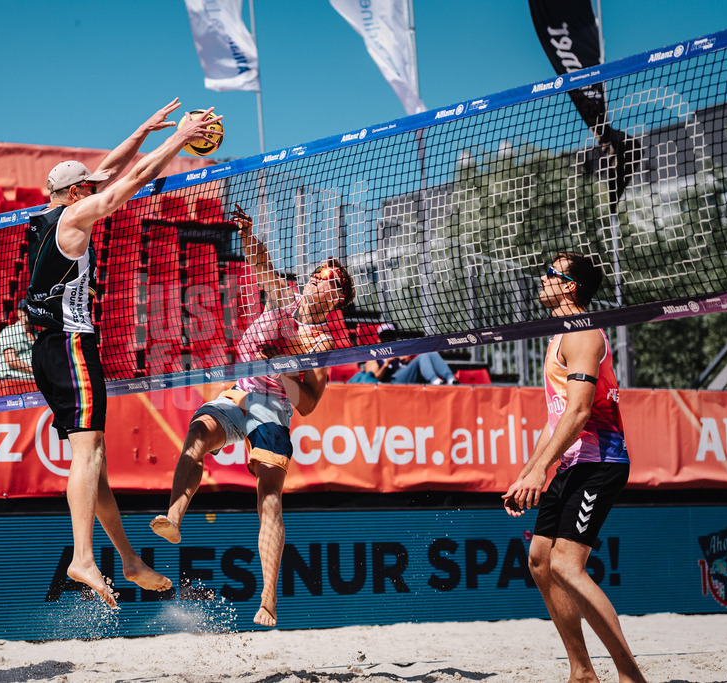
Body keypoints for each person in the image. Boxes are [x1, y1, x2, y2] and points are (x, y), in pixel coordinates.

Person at [24, 98, 222, 608]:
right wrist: (180, 139)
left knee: (94, 465)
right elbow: (130, 180)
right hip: (71, 346)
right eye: (87, 188)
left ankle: (129, 559)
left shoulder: (44, 216)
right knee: (89, 454)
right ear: (75, 194)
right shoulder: (76, 217)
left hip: (46, 351)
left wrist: (142, 129)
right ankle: (83, 558)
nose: (95, 189)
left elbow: (110, 168)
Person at [150, 204, 355, 627]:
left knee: (270, 498)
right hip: (241, 392)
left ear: (335, 298)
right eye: (317, 272)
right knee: (198, 433)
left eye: (326, 278)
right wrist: (247, 234)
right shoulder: (285, 298)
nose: (316, 278)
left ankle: (268, 598)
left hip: (274, 406)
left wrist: (284, 364)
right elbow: (262, 265)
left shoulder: (321, 342)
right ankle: (174, 517)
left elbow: (308, 404)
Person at [503, 251, 646, 683]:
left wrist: (539, 471)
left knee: (566, 565)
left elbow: (581, 412)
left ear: (570, 286)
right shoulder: (559, 335)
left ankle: (631, 677)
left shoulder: (583, 333)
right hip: (574, 461)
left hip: (600, 461)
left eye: (551, 273)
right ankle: (582, 672)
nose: (541, 278)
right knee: (540, 560)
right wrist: (529, 471)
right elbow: (557, 420)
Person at [348, 323, 456, 385]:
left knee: (431, 353)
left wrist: (408, 361)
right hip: (392, 381)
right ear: (378, 339)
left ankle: (451, 379)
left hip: (408, 377)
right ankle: (435, 381)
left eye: (391, 336)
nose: (388, 339)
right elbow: (373, 378)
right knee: (423, 356)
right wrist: (386, 364)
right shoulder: (373, 356)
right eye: (384, 336)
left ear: (395, 338)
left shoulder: (401, 351)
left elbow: (411, 368)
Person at [0, 299, 36, 379]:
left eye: (31, 310)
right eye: (25, 310)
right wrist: (35, 371)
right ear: (18, 313)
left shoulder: (38, 335)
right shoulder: (9, 331)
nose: (28, 313)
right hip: (11, 378)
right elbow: (11, 361)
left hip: (32, 379)